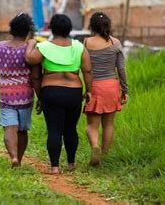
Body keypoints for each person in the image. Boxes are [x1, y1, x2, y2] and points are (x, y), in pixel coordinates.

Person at [25, 14, 92, 174]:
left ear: (51, 29)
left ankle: (55, 167)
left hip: (51, 92)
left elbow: (30, 61)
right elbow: (87, 71)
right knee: (71, 129)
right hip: (74, 92)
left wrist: (31, 43)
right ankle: (71, 163)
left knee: (54, 130)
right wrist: (89, 91)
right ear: (69, 28)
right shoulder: (79, 47)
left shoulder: (44, 47)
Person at [0, 13, 41, 168]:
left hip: (6, 96)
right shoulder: (30, 50)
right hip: (25, 96)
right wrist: (41, 97)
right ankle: (20, 158)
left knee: (10, 128)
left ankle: (13, 157)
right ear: (28, 31)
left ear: (11, 29)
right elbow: (36, 76)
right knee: (22, 130)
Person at [83, 12, 129, 166]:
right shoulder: (115, 43)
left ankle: (95, 147)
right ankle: (105, 155)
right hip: (111, 86)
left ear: (92, 26)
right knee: (108, 124)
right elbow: (121, 69)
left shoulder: (86, 42)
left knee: (92, 125)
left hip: (94, 87)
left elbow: (84, 68)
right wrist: (125, 90)